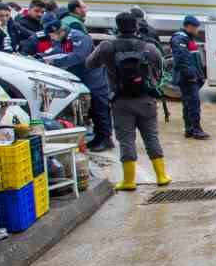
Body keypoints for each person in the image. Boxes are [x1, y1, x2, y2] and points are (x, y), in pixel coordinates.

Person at [88, 12, 170, 191]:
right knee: (151, 137)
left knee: (126, 139)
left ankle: (129, 180)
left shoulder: (107, 46)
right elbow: (161, 68)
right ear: (136, 26)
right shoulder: (148, 47)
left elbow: (90, 64)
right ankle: (162, 176)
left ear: (117, 26)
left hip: (121, 101)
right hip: (146, 100)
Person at [43, 20, 114, 152]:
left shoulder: (79, 37)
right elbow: (54, 51)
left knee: (100, 108)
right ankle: (98, 138)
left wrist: (53, 61)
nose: (53, 38)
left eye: (53, 35)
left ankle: (106, 138)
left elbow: (79, 57)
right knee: (92, 109)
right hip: (82, 78)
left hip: (94, 77)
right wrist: (41, 58)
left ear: (61, 31)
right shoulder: (62, 40)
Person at [170, 15, 209, 140]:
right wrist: (191, 76)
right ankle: (196, 129)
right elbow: (182, 60)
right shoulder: (180, 39)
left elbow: (194, 60)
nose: (197, 31)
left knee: (188, 104)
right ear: (189, 27)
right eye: (196, 28)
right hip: (187, 78)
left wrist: (200, 76)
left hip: (192, 77)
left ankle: (190, 129)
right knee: (193, 104)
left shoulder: (188, 39)